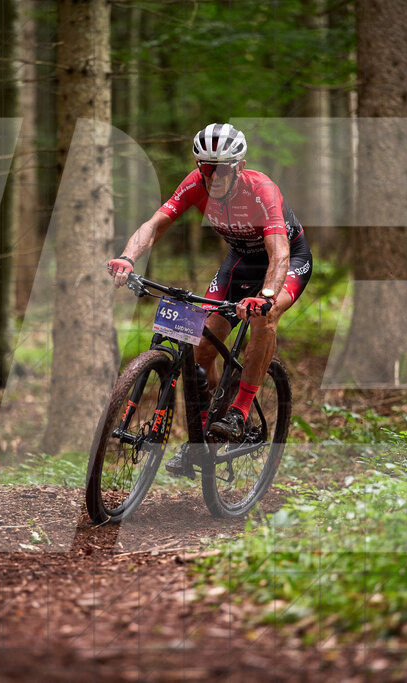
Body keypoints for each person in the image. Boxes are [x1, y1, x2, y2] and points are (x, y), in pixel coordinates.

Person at [107, 123, 312, 471]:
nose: (213, 177)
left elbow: (278, 252)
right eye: (206, 169)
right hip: (239, 262)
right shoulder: (194, 183)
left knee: (265, 316)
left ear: (239, 167)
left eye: (222, 170)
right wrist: (127, 257)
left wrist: (265, 294)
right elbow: (156, 224)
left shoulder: (261, 189)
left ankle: (240, 410)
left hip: (287, 260)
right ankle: (201, 440)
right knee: (201, 343)